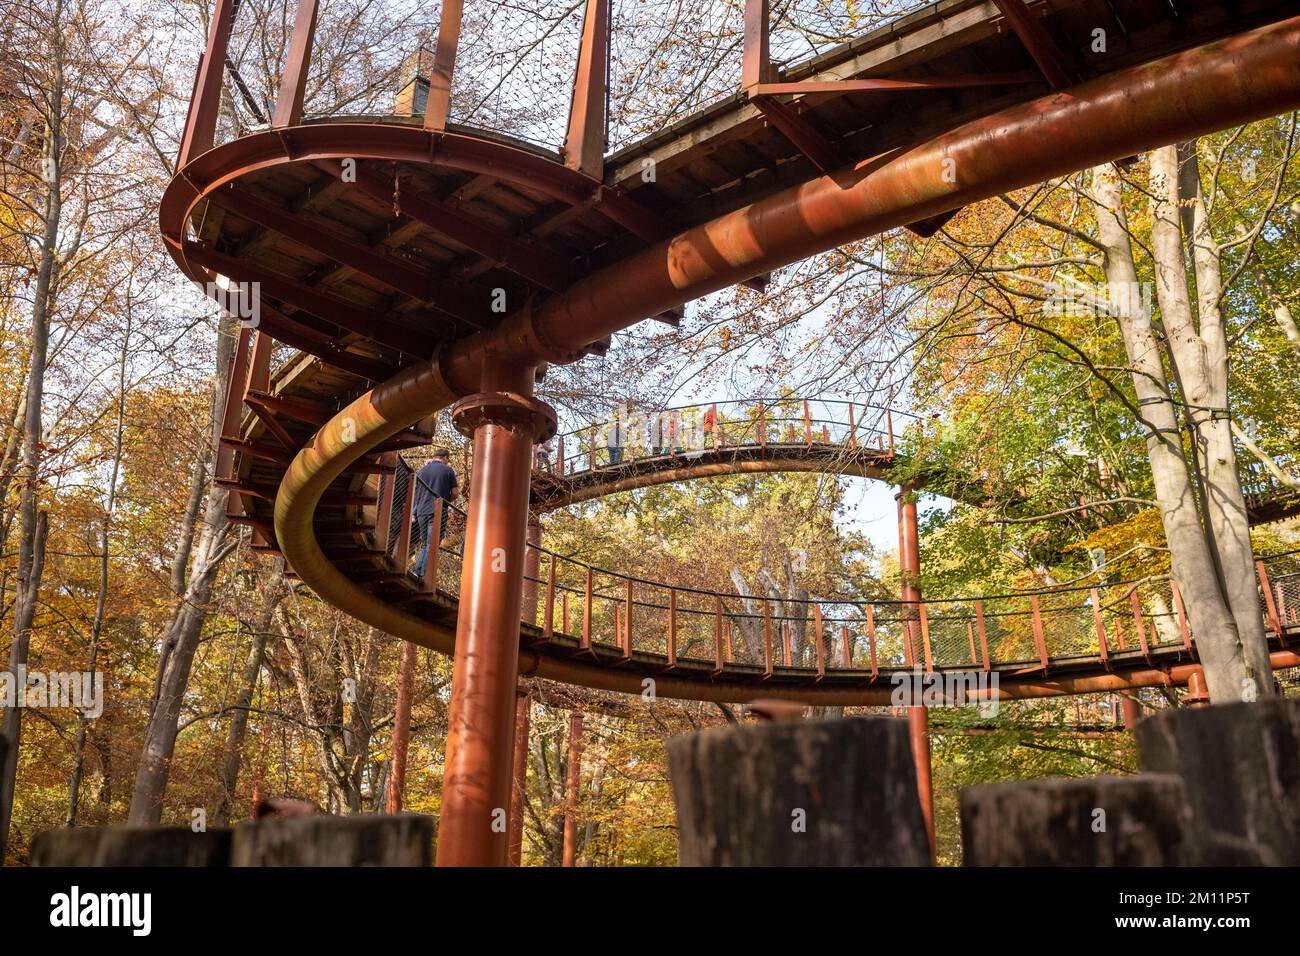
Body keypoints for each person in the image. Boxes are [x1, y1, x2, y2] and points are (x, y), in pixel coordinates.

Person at [411, 448, 458, 579]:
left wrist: (414, 512)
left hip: (421, 511)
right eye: (448, 459)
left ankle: (417, 571)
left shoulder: (422, 470)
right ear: (445, 457)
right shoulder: (448, 470)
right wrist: (445, 501)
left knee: (427, 542)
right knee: (432, 543)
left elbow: (417, 492)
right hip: (437, 511)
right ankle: (421, 574)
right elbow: (455, 493)